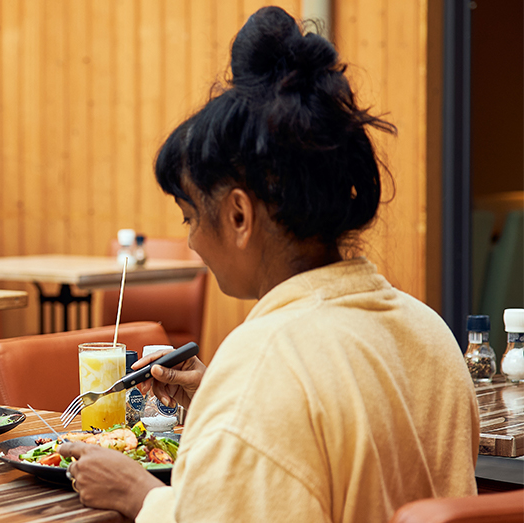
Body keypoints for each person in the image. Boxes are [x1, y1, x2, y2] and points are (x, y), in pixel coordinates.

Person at [59, 7, 479, 522]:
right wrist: (222, 399)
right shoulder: (430, 333)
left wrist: (140, 496)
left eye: (190, 217)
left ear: (238, 215)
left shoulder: (266, 363)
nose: (191, 242)